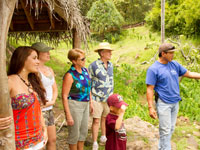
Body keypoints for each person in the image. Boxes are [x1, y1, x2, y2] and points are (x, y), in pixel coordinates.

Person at [146, 43, 200, 150]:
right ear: (163, 54)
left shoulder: (174, 64)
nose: (173, 55)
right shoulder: (153, 69)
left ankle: (162, 148)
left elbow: (189, 74)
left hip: (175, 102)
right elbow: (149, 89)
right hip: (163, 103)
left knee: (170, 129)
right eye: (170, 53)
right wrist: (151, 107)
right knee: (165, 130)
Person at [7, 46, 47, 150]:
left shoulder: (33, 81)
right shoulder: (9, 81)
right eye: (34, 58)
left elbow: (38, 109)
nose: (38, 61)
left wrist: (44, 128)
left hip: (38, 138)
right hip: (18, 142)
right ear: (22, 59)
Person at [62, 48, 93, 150]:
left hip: (86, 104)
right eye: (82, 59)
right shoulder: (70, 75)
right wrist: (68, 115)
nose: (84, 61)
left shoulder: (85, 70)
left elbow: (89, 88)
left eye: (84, 58)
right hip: (74, 105)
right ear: (74, 61)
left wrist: (91, 103)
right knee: (74, 133)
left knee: (83, 131)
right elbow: (64, 96)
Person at [31, 42, 58, 150]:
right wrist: (44, 102)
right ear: (37, 54)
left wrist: (52, 101)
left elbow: (55, 88)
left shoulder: (49, 69)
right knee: (41, 141)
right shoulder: (34, 71)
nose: (48, 53)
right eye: (45, 52)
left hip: (49, 108)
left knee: (52, 139)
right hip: (40, 109)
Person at [88, 42, 114, 150]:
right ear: (102, 53)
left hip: (108, 98)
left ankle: (103, 137)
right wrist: (90, 101)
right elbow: (88, 83)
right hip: (96, 98)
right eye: (108, 51)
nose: (110, 53)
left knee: (105, 118)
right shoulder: (93, 65)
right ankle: (94, 142)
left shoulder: (111, 65)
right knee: (96, 120)